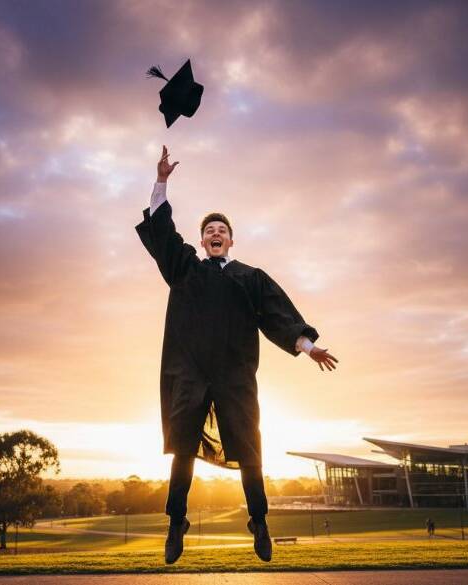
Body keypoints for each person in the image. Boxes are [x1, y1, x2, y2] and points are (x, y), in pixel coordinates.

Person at [136, 146, 339, 564]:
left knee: (249, 450)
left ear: (230, 239)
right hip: (189, 372)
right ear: (202, 239)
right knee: (182, 449)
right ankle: (177, 524)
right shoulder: (184, 269)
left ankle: (259, 522)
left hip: (234, 376)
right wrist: (161, 181)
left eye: (221, 229)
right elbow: (161, 232)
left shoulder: (250, 278)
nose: (215, 233)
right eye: (209, 228)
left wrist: (308, 346)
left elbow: (279, 316)